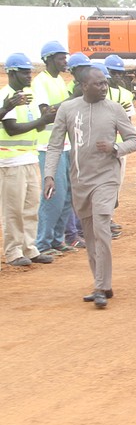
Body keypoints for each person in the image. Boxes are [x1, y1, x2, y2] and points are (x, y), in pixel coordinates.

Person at [44, 68, 136, 307]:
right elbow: (55, 145)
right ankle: (103, 284)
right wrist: (49, 176)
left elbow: (135, 140)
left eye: (105, 83)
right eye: (98, 84)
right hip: (80, 181)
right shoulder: (68, 109)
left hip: (106, 178)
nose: (104, 87)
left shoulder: (114, 109)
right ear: (83, 85)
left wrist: (115, 148)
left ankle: (100, 286)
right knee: (89, 233)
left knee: (101, 227)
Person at [1, 53, 56, 268]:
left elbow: (38, 125)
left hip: (30, 158)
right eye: (24, 72)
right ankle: (13, 252)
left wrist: (46, 117)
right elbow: (12, 129)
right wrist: (42, 120)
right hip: (10, 161)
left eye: (29, 71)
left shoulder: (29, 96)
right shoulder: (6, 96)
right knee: (13, 210)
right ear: (12, 73)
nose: (29, 75)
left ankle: (29, 248)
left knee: (31, 207)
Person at [31, 41, 74, 257]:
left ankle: (57, 240)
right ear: (48, 59)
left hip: (65, 144)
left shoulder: (59, 81)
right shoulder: (41, 82)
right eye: (60, 58)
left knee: (67, 195)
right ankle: (43, 243)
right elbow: (47, 112)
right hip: (49, 146)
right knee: (52, 194)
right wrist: (71, 102)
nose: (64, 61)